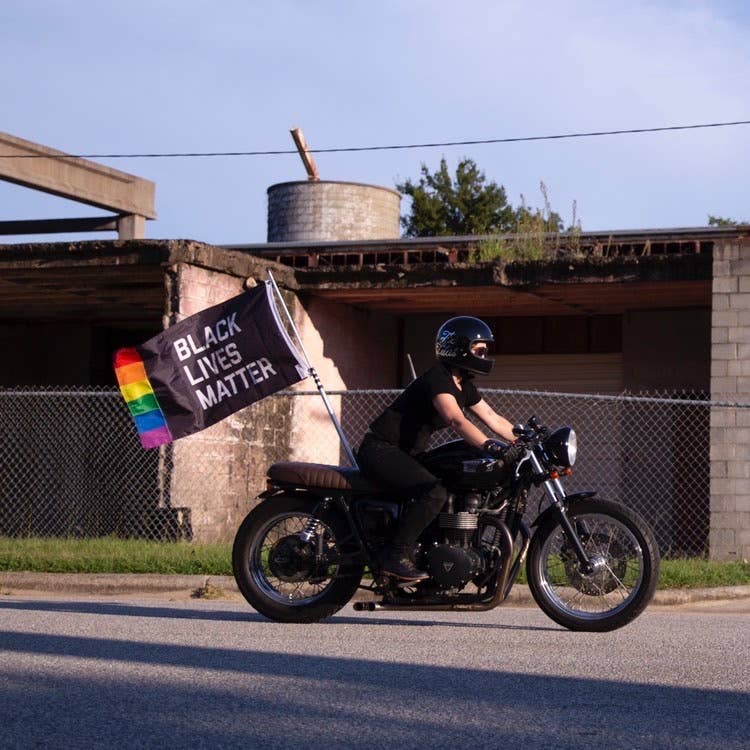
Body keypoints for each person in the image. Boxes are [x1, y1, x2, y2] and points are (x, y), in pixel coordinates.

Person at [356, 316, 520, 581]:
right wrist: (489, 444)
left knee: (451, 482)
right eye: (480, 350)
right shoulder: (438, 379)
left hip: (408, 455)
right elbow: (456, 419)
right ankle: (395, 555)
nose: (484, 355)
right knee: (434, 492)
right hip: (381, 450)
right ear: (459, 348)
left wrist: (524, 440)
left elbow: (493, 417)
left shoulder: (463, 385)